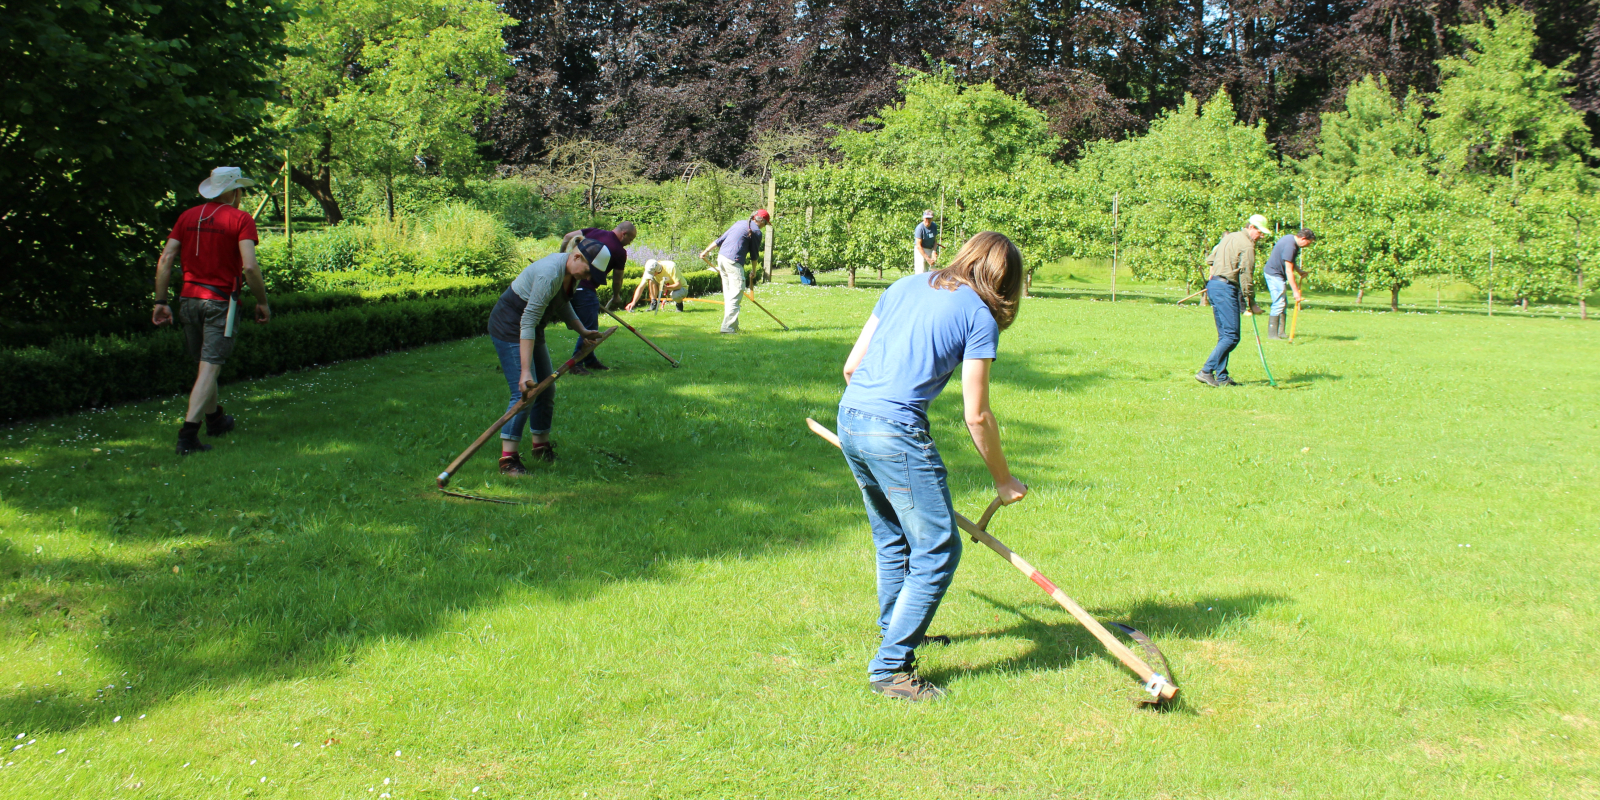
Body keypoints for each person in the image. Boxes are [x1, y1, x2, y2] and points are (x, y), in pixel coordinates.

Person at [837, 231, 1029, 701]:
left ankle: (897, 628)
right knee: (939, 548)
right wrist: (1004, 481)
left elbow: (851, 367)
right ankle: (891, 668)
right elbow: (976, 415)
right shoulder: (978, 315)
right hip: (893, 431)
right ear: (1005, 282)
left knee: (894, 537)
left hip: (851, 415)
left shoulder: (903, 285)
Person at [151, 167, 271, 456]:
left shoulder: (188, 216)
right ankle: (188, 436)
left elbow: (166, 258)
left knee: (205, 364)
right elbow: (250, 266)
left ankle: (215, 419)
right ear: (235, 191)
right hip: (221, 303)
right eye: (241, 189)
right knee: (210, 366)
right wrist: (262, 301)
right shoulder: (240, 219)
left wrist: (160, 301)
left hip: (189, 300)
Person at [487, 240, 608, 474]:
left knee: (546, 388)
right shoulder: (550, 274)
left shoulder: (571, 274)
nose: (587, 278)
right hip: (511, 325)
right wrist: (525, 371)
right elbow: (527, 321)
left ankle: (540, 448)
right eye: (588, 272)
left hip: (533, 327)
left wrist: (583, 331)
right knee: (525, 393)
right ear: (576, 257)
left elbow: (562, 304)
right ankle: (508, 460)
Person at [1197, 214, 1270, 387]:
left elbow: (1210, 259)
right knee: (1231, 336)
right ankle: (1206, 371)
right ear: (1251, 227)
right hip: (1226, 288)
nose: (1261, 236)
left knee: (1225, 335)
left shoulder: (1229, 237)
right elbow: (1246, 276)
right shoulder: (1247, 246)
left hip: (1214, 286)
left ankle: (1222, 377)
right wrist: (1251, 302)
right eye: (1260, 232)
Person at [560, 222, 635, 374]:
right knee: (590, 328)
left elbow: (567, 236)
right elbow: (617, 279)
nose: (630, 243)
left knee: (589, 325)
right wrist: (616, 295)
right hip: (584, 288)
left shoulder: (593, 231)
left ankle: (589, 359)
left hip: (569, 283)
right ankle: (576, 363)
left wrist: (561, 258)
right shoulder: (619, 251)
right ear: (624, 234)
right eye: (630, 239)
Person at [698, 209, 769, 333]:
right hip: (733, 262)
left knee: (729, 295)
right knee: (736, 293)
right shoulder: (756, 232)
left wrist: (706, 251)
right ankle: (728, 328)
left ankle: (733, 326)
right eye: (766, 223)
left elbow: (720, 240)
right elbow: (754, 254)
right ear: (761, 221)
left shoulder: (739, 223)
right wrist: (753, 270)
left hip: (722, 258)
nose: (765, 226)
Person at [1263, 229, 1314, 339]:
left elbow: (1289, 260)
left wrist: (1299, 271)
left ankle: (1281, 332)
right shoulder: (1291, 246)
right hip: (1274, 274)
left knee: (1283, 303)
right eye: (1308, 243)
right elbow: (1289, 271)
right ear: (1303, 238)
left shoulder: (1290, 239)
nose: (1308, 246)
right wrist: (1295, 292)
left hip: (1276, 274)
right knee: (1279, 303)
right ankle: (1272, 335)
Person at [913, 209, 940, 274]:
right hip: (921, 250)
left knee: (931, 271)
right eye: (926, 218)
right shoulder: (920, 228)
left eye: (929, 219)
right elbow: (918, 245)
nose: (928, 220)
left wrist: (934, 251)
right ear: (923, 218)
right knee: (921, 271)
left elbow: (935, 240)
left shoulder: (934, 226)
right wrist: (927, 258)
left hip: (930, 249)